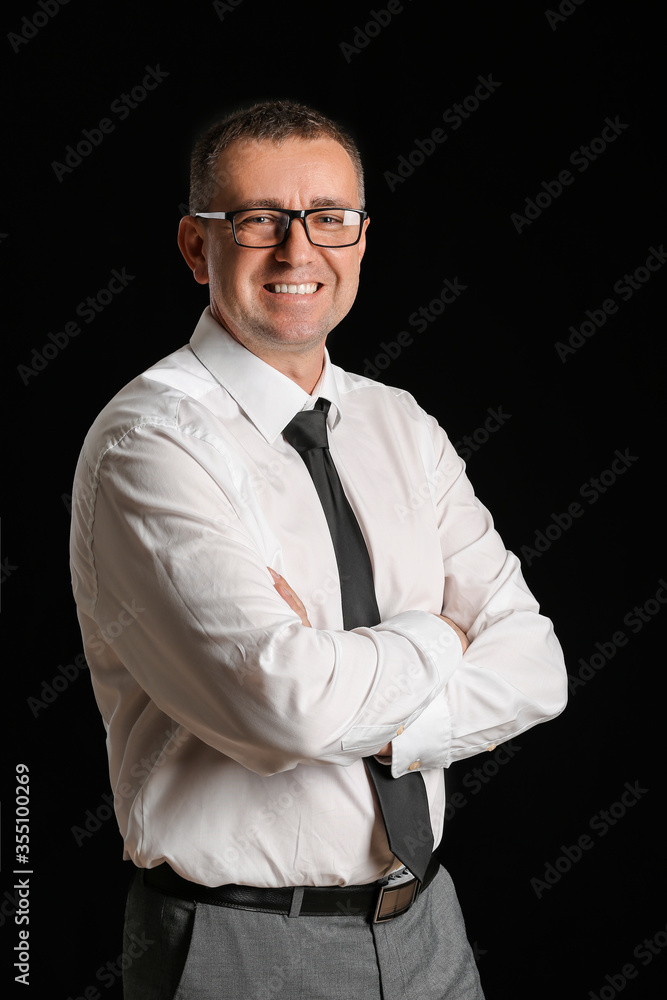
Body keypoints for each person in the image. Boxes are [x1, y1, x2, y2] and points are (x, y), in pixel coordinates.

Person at [69, 99, 567, 1000]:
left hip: (427, 928)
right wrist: (442, 638)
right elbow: (287, 705)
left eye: (329, 218)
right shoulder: (147, 445)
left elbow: (537, 668)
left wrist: (370, 715)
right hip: (239, 944)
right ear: (195, 246)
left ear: (361, 238)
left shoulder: (399, 423)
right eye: (258, 219)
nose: (299, 252)